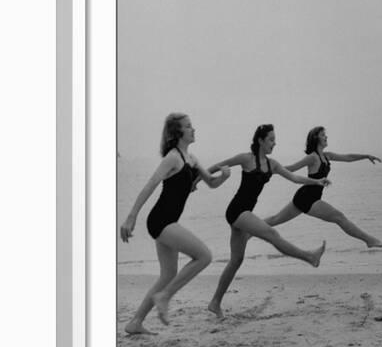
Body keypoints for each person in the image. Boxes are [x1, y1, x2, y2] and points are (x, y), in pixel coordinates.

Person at [120, 113, 230, 333]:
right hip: (161, 220)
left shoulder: (192, 159)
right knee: (204, 256)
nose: (193, 129)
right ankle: (165, 297)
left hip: (168, 221)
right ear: (178, 132)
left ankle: (135, 322)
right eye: (189, 126)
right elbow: (150, 186)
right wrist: (131, 217)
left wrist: (224, 176)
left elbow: (211, 183)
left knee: (168, 275)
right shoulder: (173, 157)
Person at [205, 124, 330, 319]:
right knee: (272, 234)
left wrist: (316, 182)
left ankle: (215, 302)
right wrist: (196, 181)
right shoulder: (246, 159)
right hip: (237, 211)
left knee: (236, 260)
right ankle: (309, 257)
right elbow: (217, 166)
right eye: (271, 139)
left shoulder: (272, 165)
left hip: (243, 213)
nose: (274, 143)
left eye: (275, 139)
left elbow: (295, 178)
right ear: (260, 141)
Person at [263, 126, 382, 248]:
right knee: (339, 217)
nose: (326, 136)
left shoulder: (327, 156)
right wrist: (268, 171)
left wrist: (365, 156)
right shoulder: (312, 157)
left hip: (307, 197)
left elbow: (348, 158)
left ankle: (248, 229)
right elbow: (291, 168)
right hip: (308, 197)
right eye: (323, 135)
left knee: (275, 219)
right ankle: (370, 241)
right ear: (316, 138)